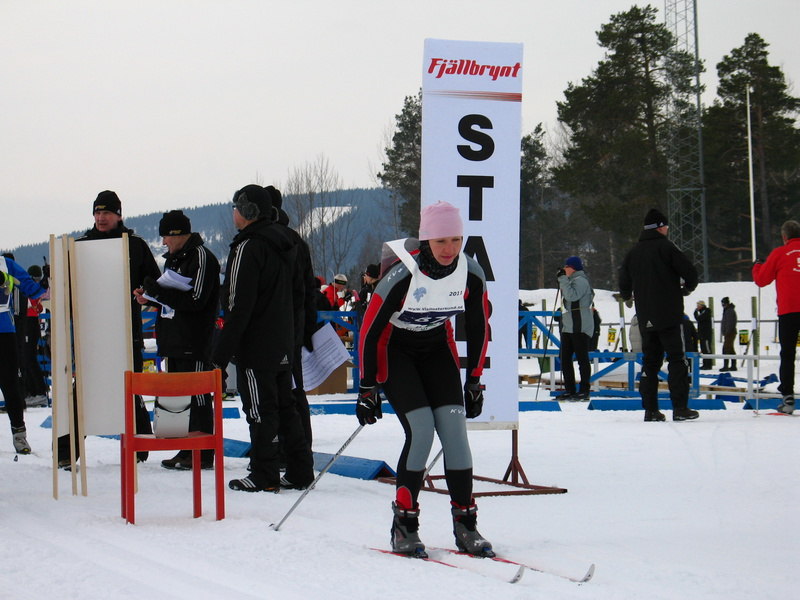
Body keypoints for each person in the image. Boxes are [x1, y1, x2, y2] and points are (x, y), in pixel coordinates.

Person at [357, 201, 493, 558]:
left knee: (455, 433)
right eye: (441, 241)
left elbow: (479, 326)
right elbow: (369, 331)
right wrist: (367, 387)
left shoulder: (471, 272)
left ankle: (466, 525)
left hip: (436, 349)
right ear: (427, 240)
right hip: (395, 350)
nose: (449, 249)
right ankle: (405, 525)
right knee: (421, 431)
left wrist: (474, 380)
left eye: (456, 239)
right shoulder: (404, 274)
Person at [212, 184, 313, 492]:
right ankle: (299, 470)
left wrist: (220, 357)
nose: (233, 213)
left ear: (246, 211)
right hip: (284, 340)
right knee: (286, 407)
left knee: (259, 410)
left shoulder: (248, 247)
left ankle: (264, 473)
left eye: (235, 207)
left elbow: (237, 305)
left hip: (256, 344)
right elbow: (300, 294)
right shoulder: (288, 242)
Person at [58, 190, 161, 467]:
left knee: (131, 389)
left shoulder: (135, 245)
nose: (101, 217)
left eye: (106, 212)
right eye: (97, 212)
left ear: (118, 215)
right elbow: (66, 287)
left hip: (127, 333)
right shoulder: (81, 246)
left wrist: (146, 292)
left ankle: (139, 446)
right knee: (83, 391)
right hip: (90, 334)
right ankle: (66, 452)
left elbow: (155, 283)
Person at [134, 210, 220, 470]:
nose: (163, 243)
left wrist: (159, 293)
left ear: (179, 234)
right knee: (180, 397)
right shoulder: (173, 260)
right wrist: (151, 297)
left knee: (198, 395)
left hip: (194, 340)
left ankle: (203, 452)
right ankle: (187, 448)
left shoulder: (203, 258)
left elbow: (196, 301)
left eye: (166, 237)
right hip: (173, 340)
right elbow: (172, 300)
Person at [618, 208, 699, 422]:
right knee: (676, 360)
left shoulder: (633, 252)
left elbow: (623, 280)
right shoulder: (667, 247)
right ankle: (680, 408)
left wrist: (627, 295)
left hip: (645, 315)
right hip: (669, 314)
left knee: (650, 363)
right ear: (660, 227)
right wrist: (687, 288)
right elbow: (690, 272)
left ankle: (651, 410)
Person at [265, 185, 317, 449]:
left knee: (282, 391)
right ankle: (298, 447)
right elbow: (309, 290)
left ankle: (288, 447)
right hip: (294, 328)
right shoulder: (296, 240)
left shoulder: (272, 240)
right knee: (293, 390)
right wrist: (307, 329)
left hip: (278, 329)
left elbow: (303, 290)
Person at [752, 219, 800, 414]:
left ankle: (788, 398)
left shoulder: (780, 253)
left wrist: (757, 265)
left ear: (784, 236)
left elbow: (761, 280)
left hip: (789, 310)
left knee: (787, 354)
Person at [0, 255, 47, 454]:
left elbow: (33, 290)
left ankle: (19, 434)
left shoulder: (6, 264)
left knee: (10, 383)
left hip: (4, 330)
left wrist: (45, 281)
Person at [556, 256, 594, 401]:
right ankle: (570, 389)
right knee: (564, 358)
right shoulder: (571, 280)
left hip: (580, 326)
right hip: (570, 326)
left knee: (582, 359)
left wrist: (562, 279)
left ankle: (584, 390)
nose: (564, 269)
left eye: (567, 266)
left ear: (573, 268)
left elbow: (572, 296)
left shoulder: (581, 280)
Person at [21, 265, 49, 407]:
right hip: (30, 322)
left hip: (29, 322)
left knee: (29, 358)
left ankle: (38, 392)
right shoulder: (35, 288)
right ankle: (34, 391)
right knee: (28, 358)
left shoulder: (30, 287)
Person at [719, 297, 738, 372]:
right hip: (729, 332)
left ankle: (726, 366)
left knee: (726, 349)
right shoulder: (728, 310)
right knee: (730, 349)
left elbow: (730, 323)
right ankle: (733, 365)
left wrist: (726, 332)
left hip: (730, 333)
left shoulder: (729, 311)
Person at [694, 300, 713, 370]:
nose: (697, 307)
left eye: (698, 305)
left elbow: (699, 318)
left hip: (706, 335)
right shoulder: (702, 312)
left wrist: (695, 313)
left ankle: (708, 364)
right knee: (703, 349)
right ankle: (705, 363)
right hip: (702, 334)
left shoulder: (706, 312)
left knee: (707, 349)